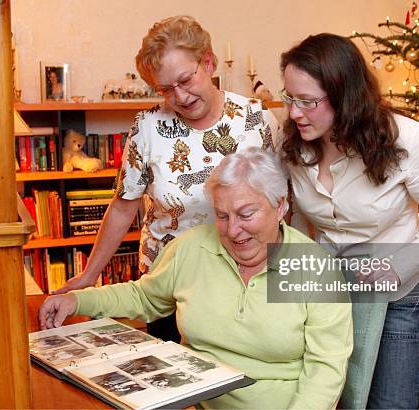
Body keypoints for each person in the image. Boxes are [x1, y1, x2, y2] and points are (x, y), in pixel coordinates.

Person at [39, 147, 353, 409]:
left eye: (246, 214)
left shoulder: (316, 267)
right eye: (222, 215)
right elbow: (142, 297)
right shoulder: (191, 248)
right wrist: (77, 299)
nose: (233, 230)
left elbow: (325, 370)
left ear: (280, 206)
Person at [54, 16, 278, 343]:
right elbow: (123, 207)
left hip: (245, 281)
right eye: (166, 89)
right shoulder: (147, 127)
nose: (181, 97)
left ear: (209, 62)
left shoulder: (257, 119)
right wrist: (91, 274)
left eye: (186, 80)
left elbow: (284, 204)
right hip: (167, 288)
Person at [278, 33, 419, 409]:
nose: (295, 113)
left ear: (345, 96)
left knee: (389, 403)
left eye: (308, 101)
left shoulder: (408, 141)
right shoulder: (295, 143)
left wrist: (394, 268)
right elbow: (299, 216)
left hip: (400, 296)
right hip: (329, 290)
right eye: (290, 98)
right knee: (334, 399)